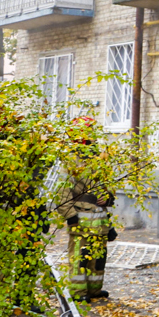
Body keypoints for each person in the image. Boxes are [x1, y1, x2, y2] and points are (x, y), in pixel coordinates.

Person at [56, 117, 117, 302]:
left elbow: (110, 186)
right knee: (79, 258)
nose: (88, 139)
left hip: (100, 222)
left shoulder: (101, 159)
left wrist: (109, 198)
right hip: (80, 222)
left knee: (98, 258)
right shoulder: (70, 161)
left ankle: (94, 290)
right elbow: (62, 193)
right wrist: (71, 217)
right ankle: (79, 293)